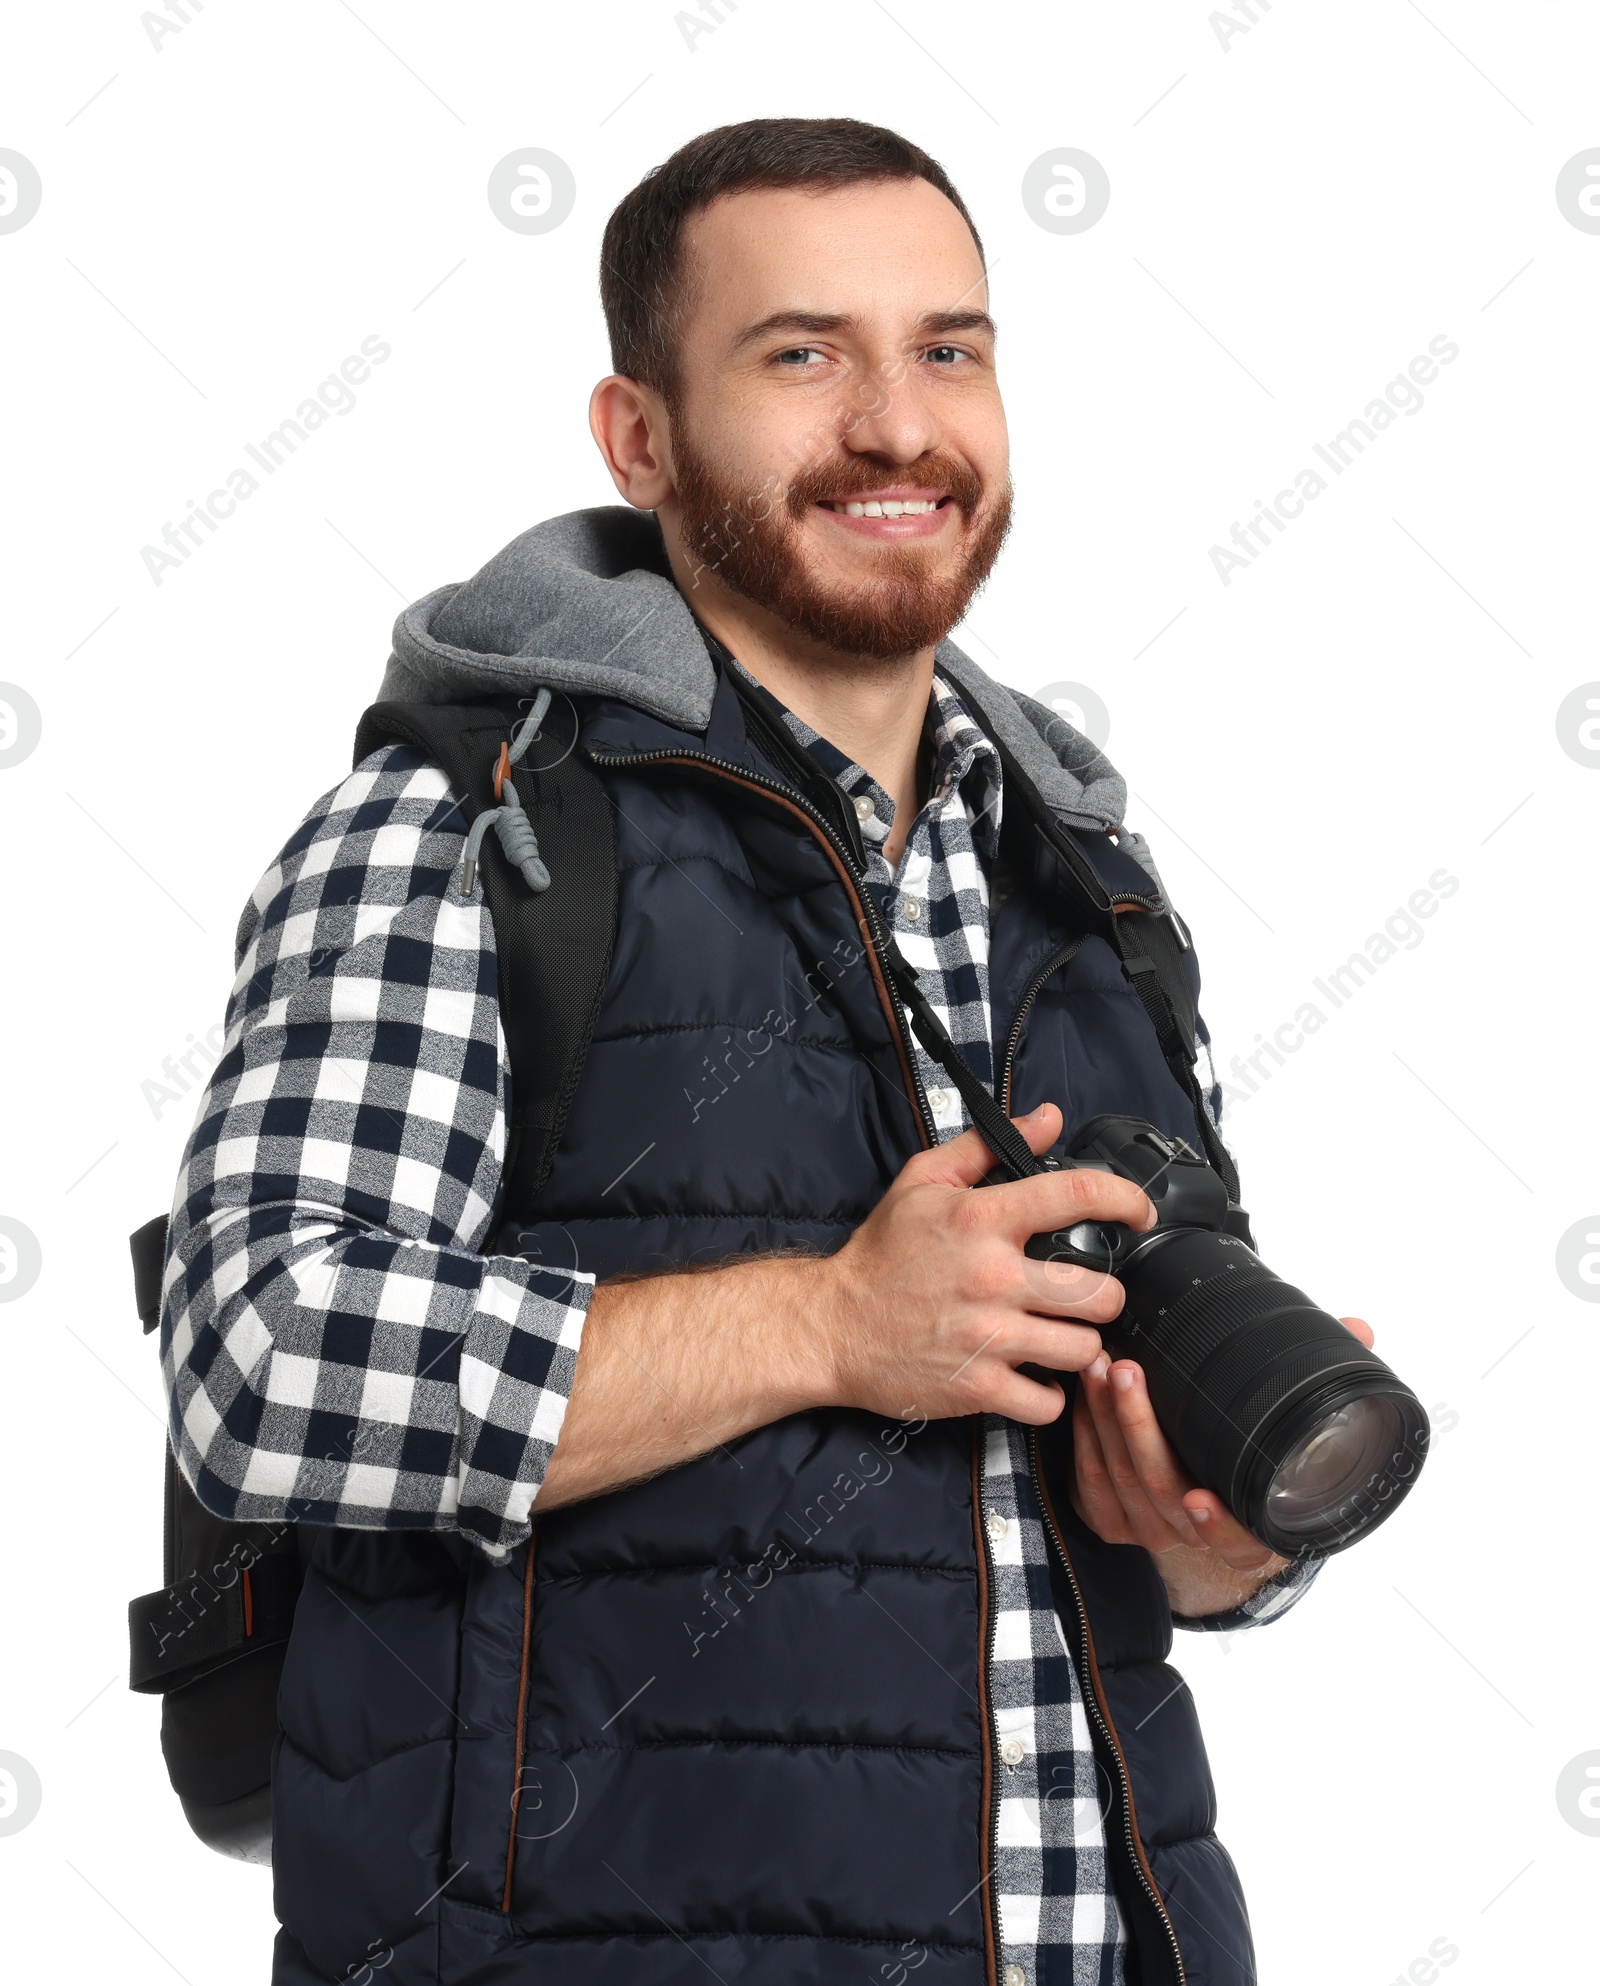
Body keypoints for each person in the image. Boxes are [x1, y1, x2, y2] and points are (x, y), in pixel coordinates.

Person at [162, 117, 1367, 1986]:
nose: (898, 422)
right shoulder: (474, 835)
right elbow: (263, 1360)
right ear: (638, 437)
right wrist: (823, 1322)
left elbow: (1122, 1518)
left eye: (947, 347)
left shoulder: (1083, 876)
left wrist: (1216, 1540)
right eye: (803, 354)